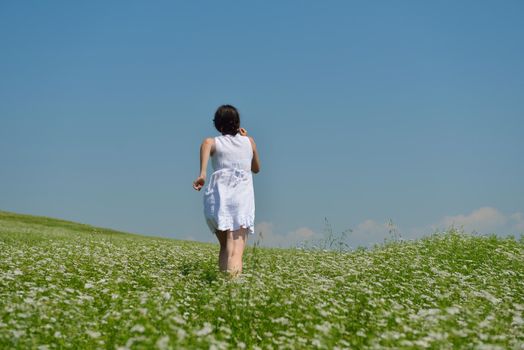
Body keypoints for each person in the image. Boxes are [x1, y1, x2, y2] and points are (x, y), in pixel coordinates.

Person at [193, 105, 261, 277]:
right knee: (236, 251)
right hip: (240, 200)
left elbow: (205, 151)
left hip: (219, 199)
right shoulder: (249, 142)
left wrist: (202, 175)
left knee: (226, 247)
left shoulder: (211, 142)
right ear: (237, 123)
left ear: (219, 125)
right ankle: (232, 290)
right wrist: (245, 139)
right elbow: (256, 168)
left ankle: (223, 286)